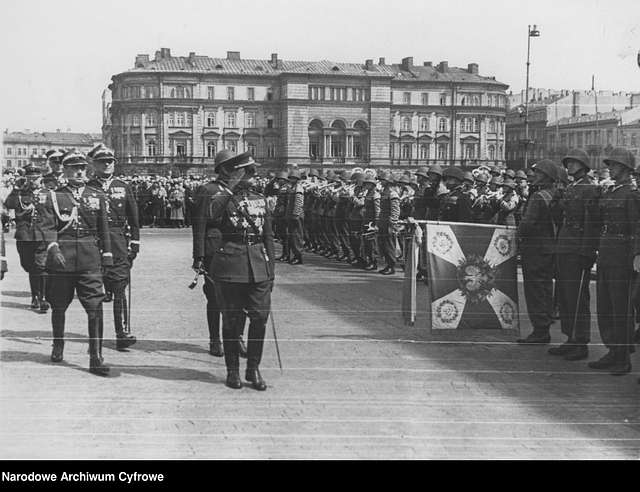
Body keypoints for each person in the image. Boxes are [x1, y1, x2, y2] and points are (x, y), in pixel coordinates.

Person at [206, 150, 275, 390]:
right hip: (231, 267)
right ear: (235, 173)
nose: (254, 175)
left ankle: (253, 368)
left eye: (254, 170)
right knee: (232, 321)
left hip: (258, 266)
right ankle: (232, 370)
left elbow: (267, 236)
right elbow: (211, 217)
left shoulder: (260, 199)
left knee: (260, 319)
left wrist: (271, 271)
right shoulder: (221, 197)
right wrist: (231, 187)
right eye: (248, 171)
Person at [40, 150, 113, 375]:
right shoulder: (54, 196)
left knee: (95, 307)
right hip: (62, 260)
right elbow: (47, 226)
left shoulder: (96, 194)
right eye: (74, 168)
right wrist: (53, 248)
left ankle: (96, 356)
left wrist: (107, 255)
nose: (80, 171)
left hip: (90, 259)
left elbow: (104, 228)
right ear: (65, 170)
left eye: (82, 167)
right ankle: (58, 343)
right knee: (59, 305)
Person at [191, 151, 248, 358]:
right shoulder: (207, 190)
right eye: (234, 167)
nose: (239, 171)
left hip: (237, 252)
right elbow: (199, 225)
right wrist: (198, 256)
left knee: (240, 297)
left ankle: (238, 337)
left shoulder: (241, 191)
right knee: (215, 298)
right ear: (223, 168)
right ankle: (215, 340)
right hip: (213, 251)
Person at [589, 148, 640, 375]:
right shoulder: (610, 192)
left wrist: (636, 255)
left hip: (622, 256)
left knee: (621, 307)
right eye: (610, 164)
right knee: (606, 304)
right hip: (606, 252)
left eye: (615, 165)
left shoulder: (631, 194)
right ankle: (612, 349)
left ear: (626, 168)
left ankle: (622, 357)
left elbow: (637, 228)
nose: (610, 167)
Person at [547, 149, 600, 361]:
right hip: (564, 246)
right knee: (566, 296)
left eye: (573, 163)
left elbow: (592, 224)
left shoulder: (590, 189)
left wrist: (588, 251)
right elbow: (559, 218)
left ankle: (581, 341)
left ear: (583, 166)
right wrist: (556, 202)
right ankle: (570, 338)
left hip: (578, 248)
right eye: (568, 162)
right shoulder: (570, 187)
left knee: (578, 297)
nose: (569, 166)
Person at [87, 144, 139, 351]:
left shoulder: (123, 186)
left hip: (118, 242)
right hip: (94, 242)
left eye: (110, 161)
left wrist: (135, 243)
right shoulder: (88, 187)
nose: (107, 164)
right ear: (94, 164)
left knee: (120, 289)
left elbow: (134, 218)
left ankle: (122, 332)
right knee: (95, 289)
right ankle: (96, 338)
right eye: (102, 161)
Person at [517, 160, 558, 344]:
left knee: (534, 290)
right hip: (549, 248)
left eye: (538, 173)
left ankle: (540, 330)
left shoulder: (537, 197)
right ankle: (544, 326)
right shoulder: (554, 194)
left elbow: (527, 224)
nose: (534, 176)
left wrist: (516, 237)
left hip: (534, 250)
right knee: (545, 288)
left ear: (546, 176)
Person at [3, 164, 51, 312]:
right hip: (24, 236)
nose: (33, 181)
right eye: (30, 178)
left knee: (40, 266)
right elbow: (9, 204)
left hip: (42, 235)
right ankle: (35, 294)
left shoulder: (48, 193)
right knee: (29, 266)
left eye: (36, 178)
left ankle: (40, 297)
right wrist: (16, 188)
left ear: (41, 178)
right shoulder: (20, 193)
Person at [376, 171, 400, 275]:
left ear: (388, 181)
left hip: (389, 222)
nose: (380, 182)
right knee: (383, 244)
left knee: (389, 245)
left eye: (382, 180)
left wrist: (393, 223)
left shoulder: (392, 193)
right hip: (383, 221)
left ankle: (391, 266)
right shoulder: (384, 192)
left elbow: (395, 210)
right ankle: (387, 264)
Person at [285, 169, 304, 265]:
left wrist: (296, 214)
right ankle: (295, 255)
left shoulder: (298, 188)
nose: (290, 179)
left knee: (297, 236)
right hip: (291, 215)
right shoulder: (293, 187)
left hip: (296, 215)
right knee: (292, 235)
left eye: (292, 178)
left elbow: (299, 202)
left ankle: (298, 256)